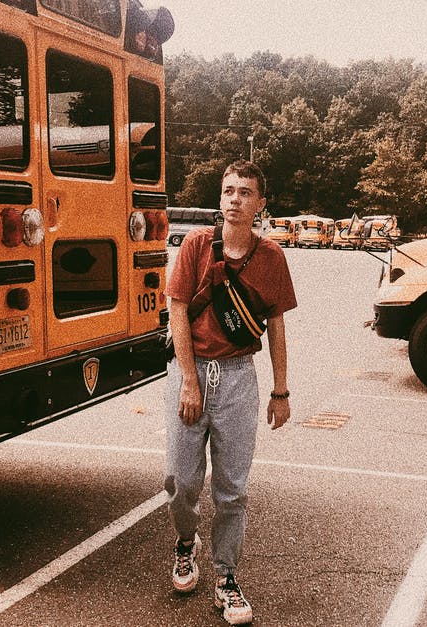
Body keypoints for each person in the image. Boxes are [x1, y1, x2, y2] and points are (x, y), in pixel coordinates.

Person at [163, 160, 296, 625]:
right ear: (220, 199)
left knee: (232, 490)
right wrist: (188, 379)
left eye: (245, 192)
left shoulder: (272, 256)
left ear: (261, 204)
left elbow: (276, 325)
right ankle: (185, 543)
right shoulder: (197, 246)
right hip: (190, 369)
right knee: (181, 481)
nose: (235, 199)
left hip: (239, 375)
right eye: (228, 191)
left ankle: (226, 578)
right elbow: (178, 312)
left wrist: (280, 391)